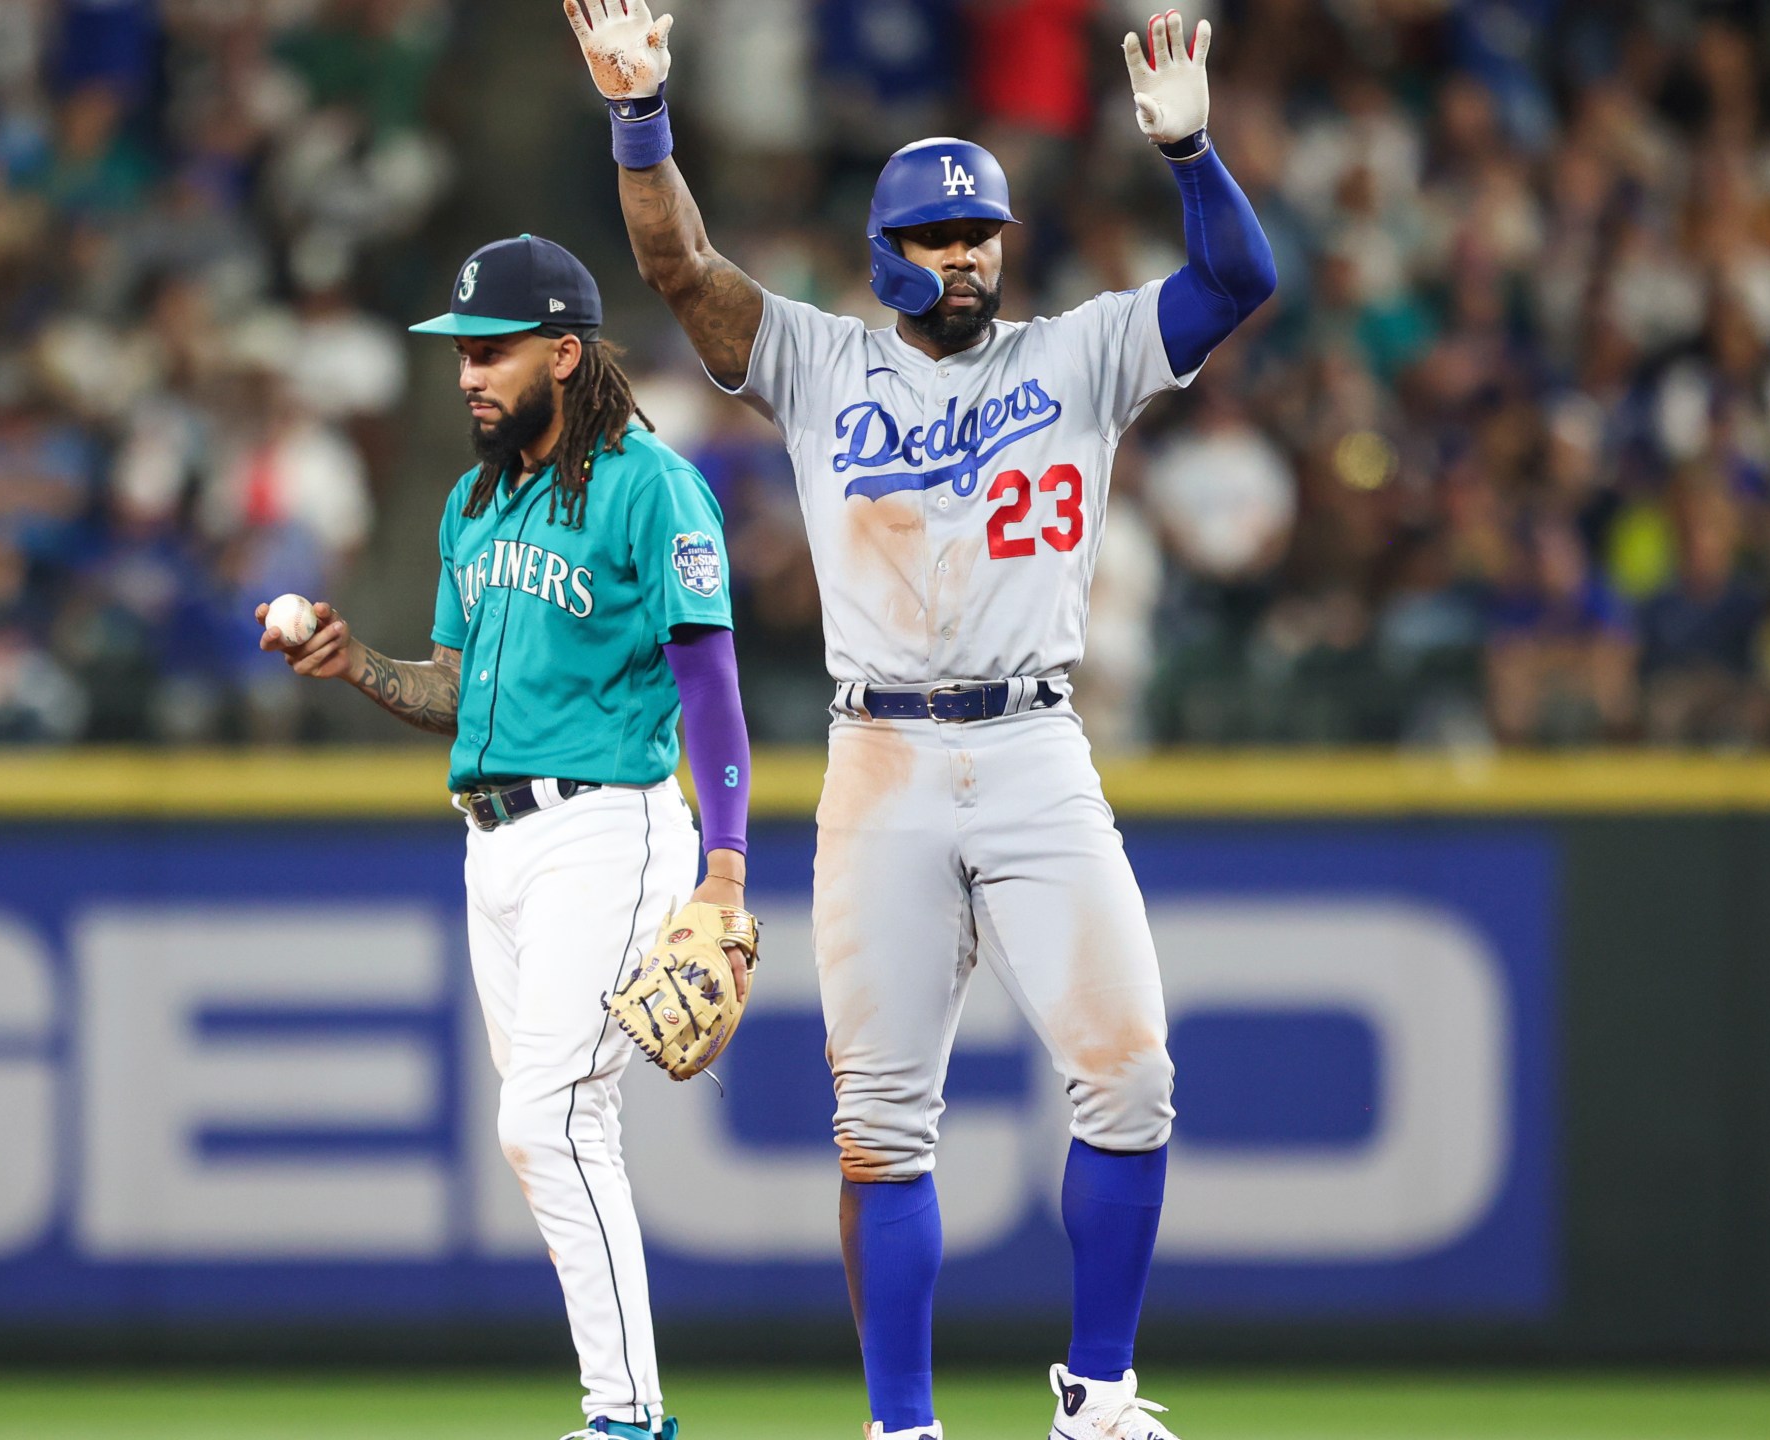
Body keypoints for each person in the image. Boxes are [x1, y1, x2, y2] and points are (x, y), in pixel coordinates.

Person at [564, 6, 1274, 1438]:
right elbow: (675, 266)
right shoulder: (822, 364)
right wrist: (643, 123)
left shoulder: (1078, 355)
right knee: (884, 1128)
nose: (967, 258)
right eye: (940, 239)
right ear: (888, 251)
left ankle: (1100, 1391)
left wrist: (1193, 152)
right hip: (880, 755)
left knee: (1131, 1076)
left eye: (983, 235)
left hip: (1035, 745)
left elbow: (1238, 276)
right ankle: (902, 1428)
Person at [258, 234, 751, 1440]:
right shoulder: (472, 501)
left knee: (545, 1121)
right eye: (460, 356)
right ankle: (624, 1411)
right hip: (493, 843)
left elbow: (713, 688)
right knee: (560, 1131)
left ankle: (627, 1417)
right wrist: (354, 664)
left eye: (490, 353)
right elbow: (449, 685)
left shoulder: (651, 485)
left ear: (565, 354)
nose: (466, 376)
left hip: (610, 829)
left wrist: (725, 871)